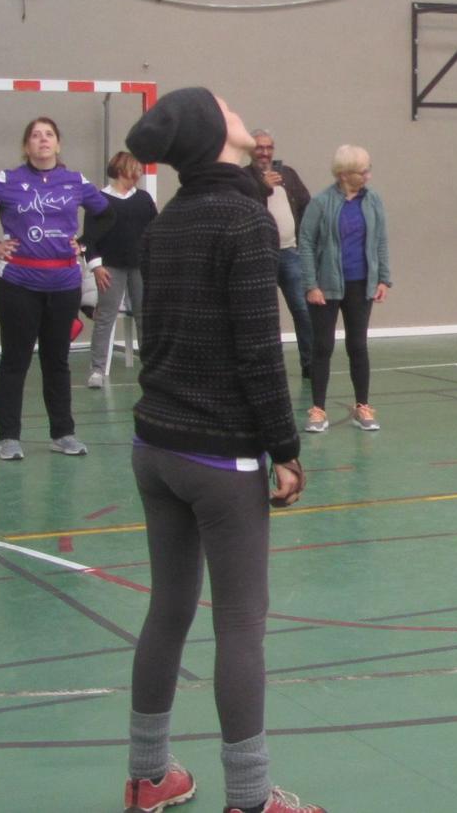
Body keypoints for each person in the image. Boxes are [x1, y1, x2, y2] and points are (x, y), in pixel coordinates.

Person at [118, 87, 323, 813]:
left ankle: (149, 776)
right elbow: (259, 353)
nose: (240, 109)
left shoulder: (166, 222)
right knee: (240, 621)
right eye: (227, 106)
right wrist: (286, 448)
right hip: (218, 459)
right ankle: (250, 796)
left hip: (155, 446)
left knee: (167, 609)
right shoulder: (244, 218)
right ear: (214, 135)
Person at [0, 117, 110, 460]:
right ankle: (8, 436)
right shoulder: (8, 181)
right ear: (26, 146)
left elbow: (106, 213)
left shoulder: (75, 181)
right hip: (18, 285)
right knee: (15, 360)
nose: (42, 140)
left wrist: (83, 244)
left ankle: (63, 433)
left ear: (58, 144)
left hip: (64, 283)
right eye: (35, 136)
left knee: (58, 361)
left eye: (49, 135)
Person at [298, 145, 390, 433]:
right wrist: (311, 285)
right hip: (325, 287)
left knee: (358, 346)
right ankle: (317, 410)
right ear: (345, 174)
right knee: (322, 347)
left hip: (361, 284)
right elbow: (306, 244)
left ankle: (362, 406)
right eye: (363, 172)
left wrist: (384, 279)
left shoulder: (372, 200)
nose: (368, 176)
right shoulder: (321, 202)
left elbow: (381, 241)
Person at [83, 151, 157, 389]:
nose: (138, 173)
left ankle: (151, 366)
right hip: (110, 267)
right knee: (105, 317)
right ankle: (97, 369)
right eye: (135, 168)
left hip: (140, 267)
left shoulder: (144, 199)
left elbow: (155, 232)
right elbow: (88, 239)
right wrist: (96, 266)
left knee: (144, 316)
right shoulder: (99, 200)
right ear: (123, 169)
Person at [251, 130, 314, 382]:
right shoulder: (243, 177)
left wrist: (306, 242)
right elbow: (242, 208)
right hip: (259, 255)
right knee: (263, 314)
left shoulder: (288, 175)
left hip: (290, 252)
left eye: (269, 147)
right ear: (250, 150)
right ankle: (266, 368)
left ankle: (311, 364)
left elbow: (307, 204)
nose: (265, 153)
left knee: (302, 308)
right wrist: (261, 186)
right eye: (259, 147)